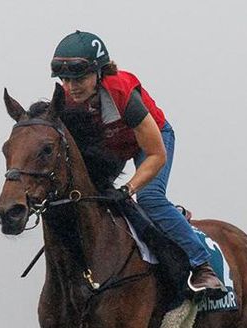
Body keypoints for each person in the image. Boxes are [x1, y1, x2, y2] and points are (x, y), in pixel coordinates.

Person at [50, 30, 226, 295]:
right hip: (114, 147)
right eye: (65, 79)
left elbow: (156, 155)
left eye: (80, 78)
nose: (72, 86)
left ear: (99, 73)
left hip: (152, 142)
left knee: (150, 198)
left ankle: (202, 266)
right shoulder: (66, 101)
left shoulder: (121, 93)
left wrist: (129, 188)